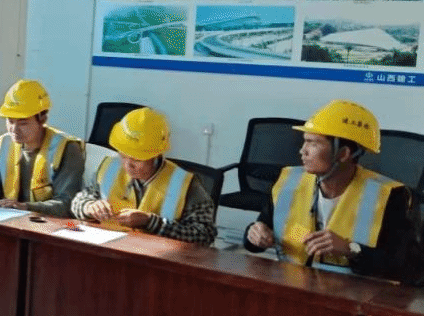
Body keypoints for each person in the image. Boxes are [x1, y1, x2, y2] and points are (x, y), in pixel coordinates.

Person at [244, 99, 422, 285]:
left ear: (343, 154)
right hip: (293, 286)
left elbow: (410, 269)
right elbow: (261, 232)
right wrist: (254, 234)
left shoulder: (388, 196)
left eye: (313, 143)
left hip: (356, 294)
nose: (302, 151)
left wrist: (350, 249)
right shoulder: (290, 181)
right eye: (304, 141)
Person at [71, 107, 216, 246]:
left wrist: (150, 222)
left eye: (136, 159)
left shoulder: (184, 184)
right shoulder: (110, 168)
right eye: (123, 156)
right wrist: (89, 207)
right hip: (108, 253)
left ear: (155, 155)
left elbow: (204, 235)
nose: (128, 165)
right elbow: (77, 202)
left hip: (157, 259)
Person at [0, 79, 85, 216]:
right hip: (8, 220)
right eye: (10, 121)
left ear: (42, 118)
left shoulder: (66, 149)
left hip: (48, 224)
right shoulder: (2, 145)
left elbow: (67, 203)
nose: (14, 129)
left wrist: (25, 207)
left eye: (23, 123)